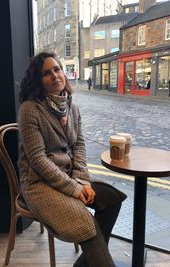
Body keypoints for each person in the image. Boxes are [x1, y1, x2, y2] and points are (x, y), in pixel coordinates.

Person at [18, 51, 127, 267]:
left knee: (111, 200)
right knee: (87, 225)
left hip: (69, 178)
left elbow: (79, 146)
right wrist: (76, 189)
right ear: (38, 81)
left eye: (57, 69)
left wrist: (83, 181)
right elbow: (39, 160)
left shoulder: (72, 107)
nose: (54, 75)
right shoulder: (30, 109)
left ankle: (85, 264)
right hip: (38, 184)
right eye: (46, 73)